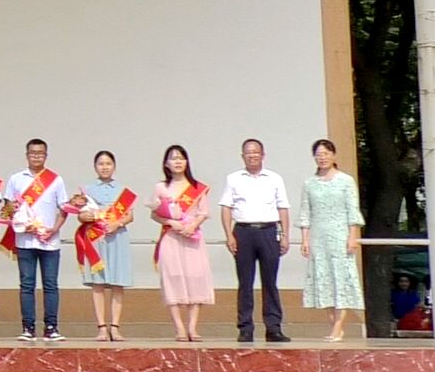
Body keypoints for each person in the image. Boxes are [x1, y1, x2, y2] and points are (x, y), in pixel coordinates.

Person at [219, 138, 292, 343]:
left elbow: (283, 207)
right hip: (243, 231)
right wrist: (228, 235)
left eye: (256, 152)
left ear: (263, 155)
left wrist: (285, 236)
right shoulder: (234, 178)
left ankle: (273, 327)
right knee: (245, 282)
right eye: (248, 153)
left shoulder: (274, 178)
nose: (252, 155)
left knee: (270, 282)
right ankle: (245, 327)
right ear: (243, 156)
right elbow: (226, 207)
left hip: (268, 231)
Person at [2, 139, 69, 341]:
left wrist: (54, 229)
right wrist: (16, 215)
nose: (36, 156)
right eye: (33, 153)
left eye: (40, 153)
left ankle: (51, 327)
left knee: (50, 285)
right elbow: (6, 209)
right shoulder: (16, 179)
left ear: (46, 156)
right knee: (27, 284)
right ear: (27, 155)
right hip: (25, 241)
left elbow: (64, 209)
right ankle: (28, 327)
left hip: (50, 241)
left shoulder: (56, 180)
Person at [299, 138, 365, 342]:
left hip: (340, 236)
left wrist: (352, 236)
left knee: (341, 280)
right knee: (323, 280)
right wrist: (305, 239)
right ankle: (333, 323)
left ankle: (338, 326)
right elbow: (305, 213)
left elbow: (352, 210)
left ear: (333, 155)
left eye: (326, 154)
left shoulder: (345, 181)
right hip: (318, 237)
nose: (322, 158)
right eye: (318, 155)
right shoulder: (309, 183)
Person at [154, 145, 214, 341]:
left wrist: (192, 225)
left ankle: (193, 327)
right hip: (171, 238)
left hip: (192, 238)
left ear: (187, 162)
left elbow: (203, 212)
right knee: (173, 278)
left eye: (181, 158)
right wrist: (171, 222)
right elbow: (155, 213)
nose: (178, 162)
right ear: (166, 164)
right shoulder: (161, 187)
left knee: (195, 277)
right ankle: (179, 327)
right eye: (173, 158)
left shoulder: (197, 188)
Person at [75, 150, 134, 342]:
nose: (105, 167)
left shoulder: (122, 189)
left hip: (117, 237)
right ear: (95, 167)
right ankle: (101, 327)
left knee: (118, 282)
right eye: (101, 164)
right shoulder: (87, 190)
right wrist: (86, 216)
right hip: (96, 239)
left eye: (108, 164)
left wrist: (118, 223)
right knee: (97, 283)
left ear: (114, 166)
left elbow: (130, 215)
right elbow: (80, 215)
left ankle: (115, 327)